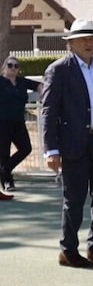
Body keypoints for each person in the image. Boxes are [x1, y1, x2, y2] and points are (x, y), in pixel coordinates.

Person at [40, 20, 93, 267]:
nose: (89, 43)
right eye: (83, 38)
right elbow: (48, 111)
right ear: (71, 42)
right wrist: (50, 150)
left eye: (92, 38)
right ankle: (68, 250)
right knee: (74, 199)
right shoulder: (58, 70)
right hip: (73, 144)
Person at [0, 55, 41, 193]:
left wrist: (44, 91)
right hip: (3, 123)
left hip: (18, 122)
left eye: (16, 66)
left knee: (26, 148)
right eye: (10, 65)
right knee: (4, 153)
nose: (13, 68)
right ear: (4, 67)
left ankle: (4, 170)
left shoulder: (22, 82)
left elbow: (39, 85)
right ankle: (7, 181)